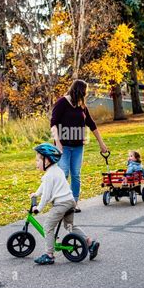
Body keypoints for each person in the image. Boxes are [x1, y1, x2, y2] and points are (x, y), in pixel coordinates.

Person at [30, 143, 100, 265]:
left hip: (61, 204)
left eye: (38, 160)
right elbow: (44, 187)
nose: (36, 163)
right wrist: (36, 194)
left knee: (47, 226)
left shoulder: (49, 175)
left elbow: (46, 196)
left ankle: (49, 255)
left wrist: (38, 208)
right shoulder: (57, 171)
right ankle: (89, 242)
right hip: (70, 201)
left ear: (47, 161)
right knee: (69, 226)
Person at [51, 79, 108, 213]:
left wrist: (101, 143)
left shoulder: (81, 105)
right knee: (64, 173)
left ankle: (74, 203)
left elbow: (91, 124)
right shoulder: (62, 103)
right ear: (78, 91)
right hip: (63, 146)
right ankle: (60, 201)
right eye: (84, 93)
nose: (85, 95)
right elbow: (53, 124)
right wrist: (58, 143)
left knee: (76, 175)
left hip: (77, 147)